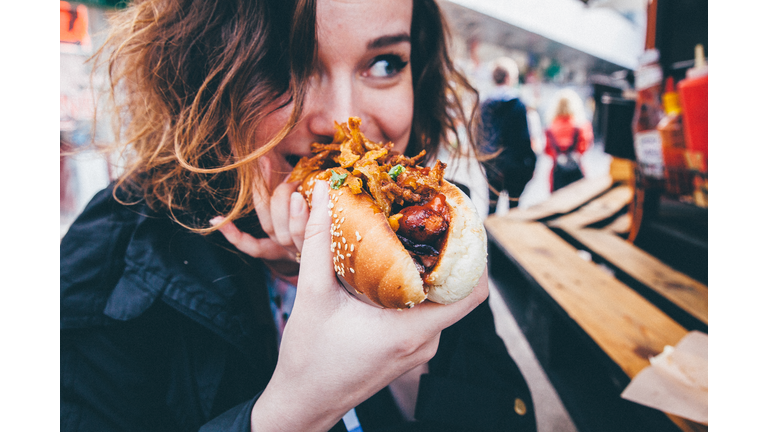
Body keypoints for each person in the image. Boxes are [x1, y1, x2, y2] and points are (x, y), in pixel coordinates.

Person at [60, 1, 537, 431]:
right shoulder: (108, 261)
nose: (340, 119)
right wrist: (293, 412)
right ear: (201, 75)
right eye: (282, 65)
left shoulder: (431, 235)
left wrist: (398, 329)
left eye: (385, 63)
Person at [478, 57, 537, 215]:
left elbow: (479, 136)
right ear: (509, 77)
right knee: (514, 209)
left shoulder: (484, 104)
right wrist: (532, 163)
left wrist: (485, 161)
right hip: (515, 166)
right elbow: (524, 139)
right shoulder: (518, 104)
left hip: (492, 165)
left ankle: (488, 239)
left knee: (491, 208)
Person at [544, 88, 594, 192]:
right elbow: (584, 148)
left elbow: (547, 150)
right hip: (577, 171)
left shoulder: (550, 128)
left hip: (557, 173)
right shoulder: (582, 126)